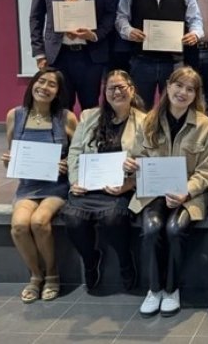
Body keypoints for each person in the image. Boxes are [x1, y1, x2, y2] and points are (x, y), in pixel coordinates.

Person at [123, 66, 208, 318]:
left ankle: (171, 288)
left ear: (196, 94)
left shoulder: (206, 125)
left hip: (190, 193)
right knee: (152, 228)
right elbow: (136, 156)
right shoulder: (149, 120)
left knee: (174, 229)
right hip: (153, 191)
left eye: (190, 89)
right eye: (179, 85)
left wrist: (187, 191)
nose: (183, 92)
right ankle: (154, 289)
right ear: (168, 85)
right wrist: (130, 165)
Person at [61, 70, 145, 294]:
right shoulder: (89, 116)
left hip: (121, 187)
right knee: (72, 219)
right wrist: (75, 180)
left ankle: (125, 260)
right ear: (104, 92)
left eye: (121, 87)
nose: (116, 92)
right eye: (111, 88)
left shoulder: (146, 121)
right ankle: (91, 260)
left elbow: (150, 158)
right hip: (87, 186)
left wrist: (130, 183)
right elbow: (75, 151)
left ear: (132, 90)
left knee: (112, 218)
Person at [1, 68, 78, 303]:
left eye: (51, 85)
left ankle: (53, 275)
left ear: (58, 92)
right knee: (19, 226)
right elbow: (13, 158)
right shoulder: (15, 116)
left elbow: (78, 156)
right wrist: (9, 162)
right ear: (32, 84)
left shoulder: (66, 117)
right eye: (41, 82)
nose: (44, 87)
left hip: (56, 186)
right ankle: (36, 276)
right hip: (27, 186)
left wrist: (67, 164)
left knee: (39, 222)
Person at [30, 0, 115, 110]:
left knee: (90, 108)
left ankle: (89, 139)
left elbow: (110, 15)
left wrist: (95, 35)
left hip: (91, 56)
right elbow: (36, 17)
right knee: (60, 107)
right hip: (58, 56)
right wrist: (39, 53)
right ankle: (64, 139)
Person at [115, 0, 204, 110]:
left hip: (173, 63)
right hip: (141, 62)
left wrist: (195, 34)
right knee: (140, 109)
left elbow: (196, 20)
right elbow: (121, 18)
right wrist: (129, 31)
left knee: (174, 108)